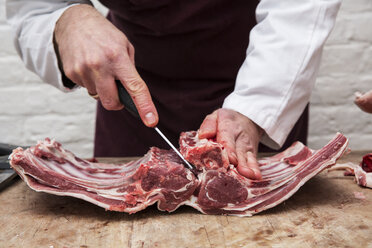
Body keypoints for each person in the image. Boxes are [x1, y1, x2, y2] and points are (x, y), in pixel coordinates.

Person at [6, 0, 341, 180]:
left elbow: (302, 7)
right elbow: (34, 8)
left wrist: (255, 106)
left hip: (261, 75)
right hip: (133, 90)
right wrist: (67, 21)